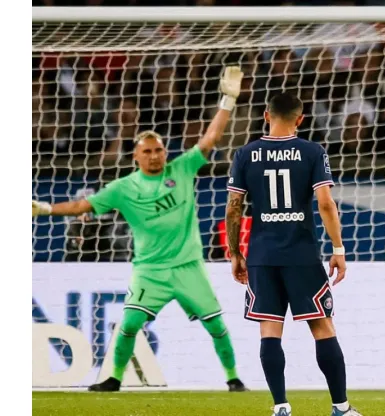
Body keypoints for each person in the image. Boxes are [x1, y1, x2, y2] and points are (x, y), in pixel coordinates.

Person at [32, 67, 248, 393]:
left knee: (216, 325)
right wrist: (47, 209)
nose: (153, 155)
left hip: (189, 267)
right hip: (150, 270)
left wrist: (228, 99)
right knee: (130, 324)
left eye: (158, 149)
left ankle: (234, 379)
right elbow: (82, 206)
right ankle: (113, 378)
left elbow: (211, 138)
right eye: (146, 151)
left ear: (165, 151)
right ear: (136, 156)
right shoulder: (123, 188)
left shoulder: (183, 168)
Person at [225, 92, 361, 416]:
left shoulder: (245, 154)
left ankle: (281, 406)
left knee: (270, 330)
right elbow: (326, 203)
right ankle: (340, 407)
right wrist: (338, 248)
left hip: (262, 254)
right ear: (300, 119)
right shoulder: (312, 151)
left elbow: (234, 207)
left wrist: (235, 253)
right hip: (301, 254)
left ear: (265, 115)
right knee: (323, 328)